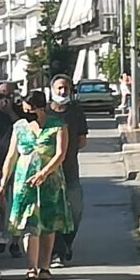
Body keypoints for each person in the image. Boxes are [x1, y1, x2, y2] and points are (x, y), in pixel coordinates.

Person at [0, 91, 72, 280]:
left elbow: (60, 154)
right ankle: (32, 268)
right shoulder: (19, 127)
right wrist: (3, 183)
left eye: (31, 111)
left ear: (41, 108)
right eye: (25, 111)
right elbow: (11, 156)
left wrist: (43, 173)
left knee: (47, 223)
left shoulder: (58, 126)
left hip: (50, 181)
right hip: (25, 182)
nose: (28, 115)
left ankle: (44, 266)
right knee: (29, 223)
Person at [48, 75, 88, 267]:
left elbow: (82, 140)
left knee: (75, 210)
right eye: (59, 88)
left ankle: (67, 243)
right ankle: (58, 252)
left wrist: (66, 151)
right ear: (52, 89)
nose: (63, 92)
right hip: (49, 173)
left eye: (66, 88)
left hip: (70, 171)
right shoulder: (45, 112)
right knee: (53, 213)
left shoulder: (76, 113)